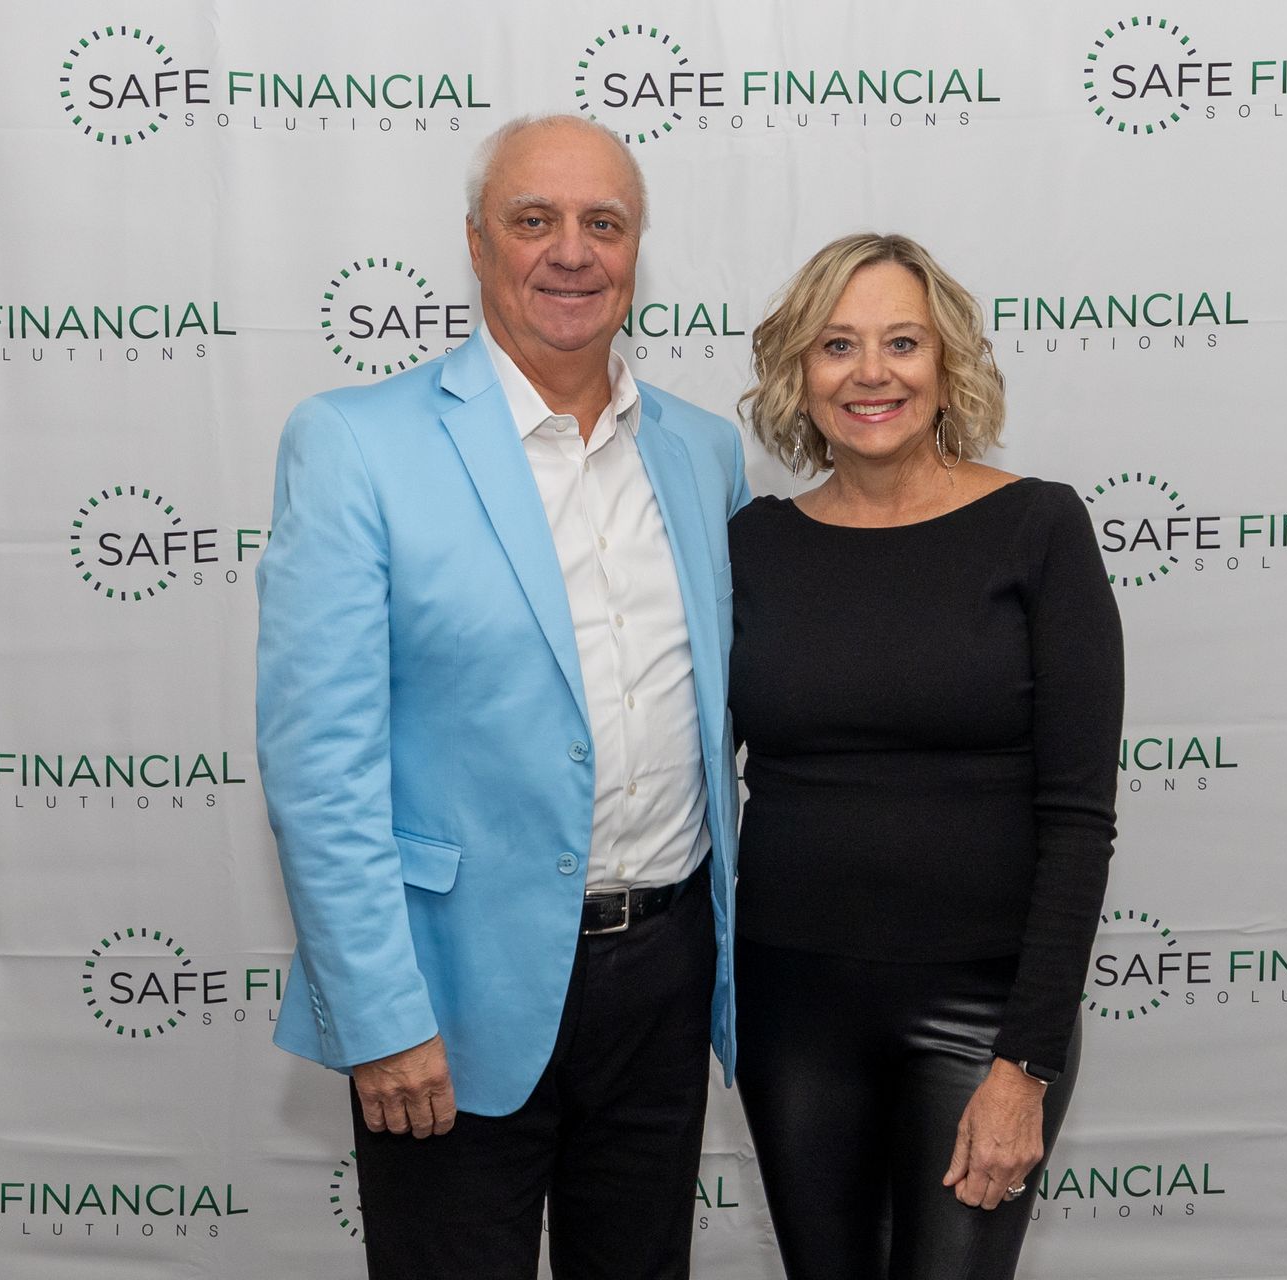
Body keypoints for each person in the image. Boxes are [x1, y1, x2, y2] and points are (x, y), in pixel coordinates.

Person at [255, 113, 749, 1280]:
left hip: (664, 977)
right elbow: (319, 770)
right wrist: (380, 1014)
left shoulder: (703, 451)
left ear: (637, 251)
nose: (571, 251)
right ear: (477, 243)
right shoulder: (355, 443)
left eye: (603, 223)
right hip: (450, 993)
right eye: (535, 220)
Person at [728, 232, 1123, 1278]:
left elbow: (1079, 819)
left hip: (983, 1018)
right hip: (791, 1012)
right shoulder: (753, 544)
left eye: (902, 342)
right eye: (837, 345)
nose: (872, 373)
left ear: (947, 363)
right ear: (798, 371)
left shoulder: (1038, 527)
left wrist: (1025, 1062)